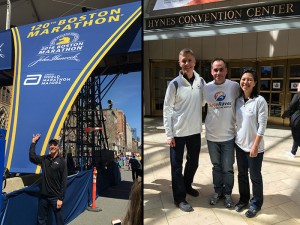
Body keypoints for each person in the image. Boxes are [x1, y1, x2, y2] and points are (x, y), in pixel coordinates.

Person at [163, 48, 206, 212]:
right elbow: (167, 110)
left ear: (194, 62)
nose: (186, 63)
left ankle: (187, 185)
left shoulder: (200, 81)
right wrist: (169, 134)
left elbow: (203, 102)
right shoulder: (174, 84)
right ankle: (179, 198)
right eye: (183, 61)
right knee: (176, 166)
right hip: (178, 133)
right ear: (179, 63)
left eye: (189, 60)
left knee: (193, 162)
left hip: (195, 131)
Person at [203, 58, 240, 208]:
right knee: (216, 167)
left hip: (228, 136)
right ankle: (217, 192)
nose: (218, 73)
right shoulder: (206, 88)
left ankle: (227, 194)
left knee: (228, 168)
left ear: (226, 70)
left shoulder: (234, 86)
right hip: (211, 136)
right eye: (215, 70)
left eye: (221, 69)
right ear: (211, 71)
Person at [234, 69, 268, 218]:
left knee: (255, 176)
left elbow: (262, 125)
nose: (245, 82)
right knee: (242, 175)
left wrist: (255, 145)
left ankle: (256, 204)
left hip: (255, 148)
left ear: (254, 83)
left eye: (249, 79)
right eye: (243, 79)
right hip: (240, 145)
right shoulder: (238, 100)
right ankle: (243, 200)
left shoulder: (260, 101)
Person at [29, 134, 67, 225]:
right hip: (44, 197)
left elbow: (64, 181)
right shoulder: (44, 159)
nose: (52, 146)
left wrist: (61, 198)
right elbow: (32, 157)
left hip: (56, 197)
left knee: (59, 220)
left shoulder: (61, 161)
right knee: (41, 220)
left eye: (54, 145)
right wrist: (33, 142)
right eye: (51, 145)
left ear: (58, 147)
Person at [282, 83, 300, 158]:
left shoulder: (298, 95)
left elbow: (291, 106)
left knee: (296, 136)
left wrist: (284, 114)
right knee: (298, 136)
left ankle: (293, 153)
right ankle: (293, 151)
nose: (297, 87)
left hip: (297, 119)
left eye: (299, 86)